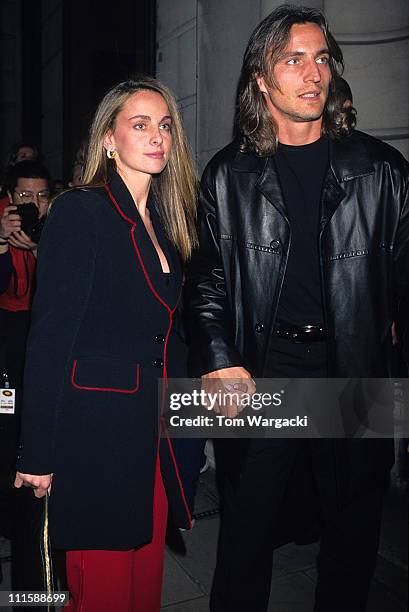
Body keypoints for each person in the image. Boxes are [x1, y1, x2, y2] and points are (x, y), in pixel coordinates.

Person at [186, 5, 409, 612]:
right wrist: (218, 357)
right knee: (247, 535)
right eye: (293, 59)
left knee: (353, 536)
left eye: (321, 58)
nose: (313, 74)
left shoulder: (383, 171)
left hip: (358, 370)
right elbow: (205, 278)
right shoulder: (229, 175)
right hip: (266, 372)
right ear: (261, 78)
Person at [14, 75, 197, 611]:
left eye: (164, 125)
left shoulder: (165, 222)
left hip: (152, 440)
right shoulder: (81, 210)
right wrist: (38, 453)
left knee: (144, 594)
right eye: (139, 124)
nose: (156, 136)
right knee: (103, 594)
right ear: (108, 140)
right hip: (95, 442)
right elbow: (49, 337)